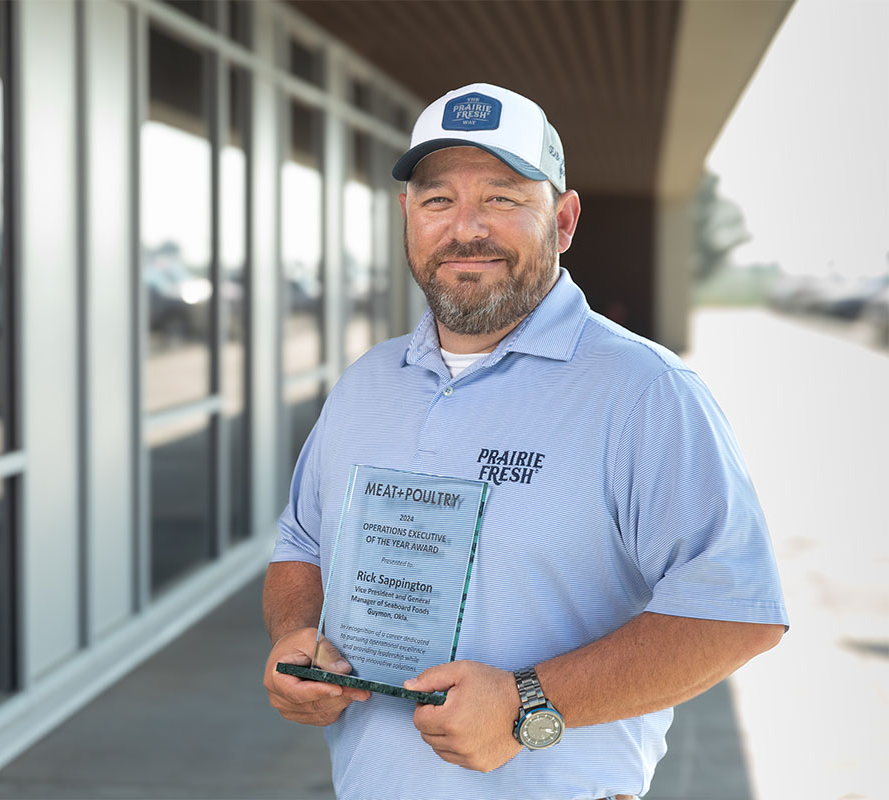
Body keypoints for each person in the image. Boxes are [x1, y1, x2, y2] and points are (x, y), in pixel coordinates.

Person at [262, 82, 788, 800]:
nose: (466, 228)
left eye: (503, 198)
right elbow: (301, 542)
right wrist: (296, 638)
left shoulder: (644, 392)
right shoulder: (367, 383)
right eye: (438, 199)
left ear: (564, 220)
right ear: (407, 216)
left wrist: (526, 703)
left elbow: (733, 614)